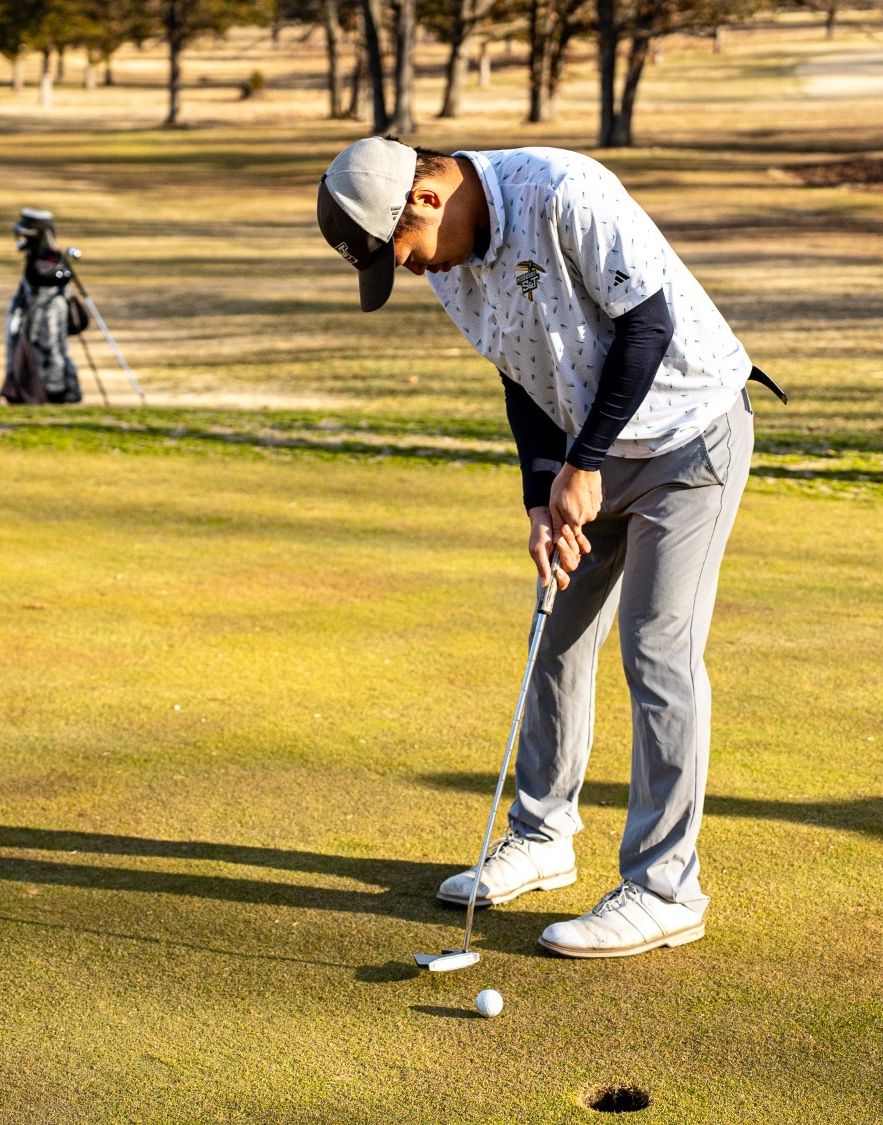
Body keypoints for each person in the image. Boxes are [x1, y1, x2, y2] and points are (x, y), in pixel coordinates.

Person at [318, 138, 780, 958]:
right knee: (555, 636)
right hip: (585, 455)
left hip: (688, 436)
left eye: (404, 256)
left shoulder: (564, 192)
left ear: (425, 202)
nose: (415, 272)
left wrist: (583, 464)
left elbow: (648, 324)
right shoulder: (454, 266)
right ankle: (543, 836)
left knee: (656, 649)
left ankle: (665, 887)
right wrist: (541, 495)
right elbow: (520, 374)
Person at [0, 208, 85, 406]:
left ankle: (55, 389)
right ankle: (33, 390)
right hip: (31, 312)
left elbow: (46, 278)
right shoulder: (35, 257)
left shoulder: (52, 258)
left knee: (52, 350)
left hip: (50, 312)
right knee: (31, 350)